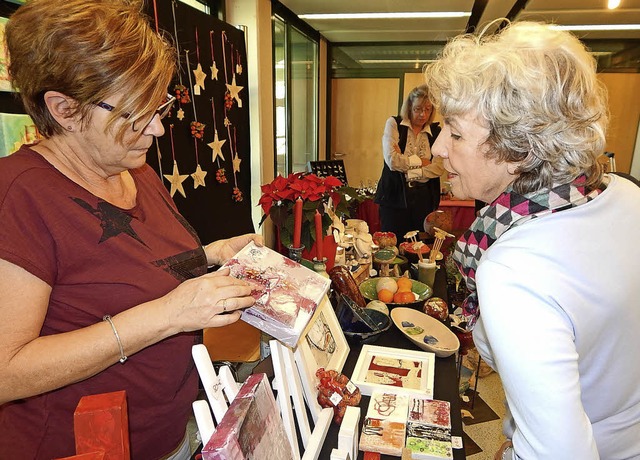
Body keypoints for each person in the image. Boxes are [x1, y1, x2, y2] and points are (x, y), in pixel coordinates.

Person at [0, 1, 262, 458]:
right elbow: (5, 372)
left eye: (158, 106)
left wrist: (211, 254)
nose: (158, 129)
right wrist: (166, 315)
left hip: (171, 429)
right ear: (64, 108)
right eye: (135, 115)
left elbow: (129, 270)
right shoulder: (18, 196)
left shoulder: (131, 169)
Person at [424, 21, 640, 459]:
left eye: (456, 132)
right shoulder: (623, 193)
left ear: (517, 150)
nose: (438, 149)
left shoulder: (514, 269)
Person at [374, 85, 445, 240]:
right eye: (418, 109)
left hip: (424, 199)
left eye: (428, 109)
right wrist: (422, 161)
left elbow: (439, 168)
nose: (423, 114)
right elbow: (392, 161)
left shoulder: (436, 132)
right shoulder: (394, 124)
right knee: (392, 243)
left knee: (420, 246)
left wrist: (410, 169)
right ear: (409, 107)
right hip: (394, 197)